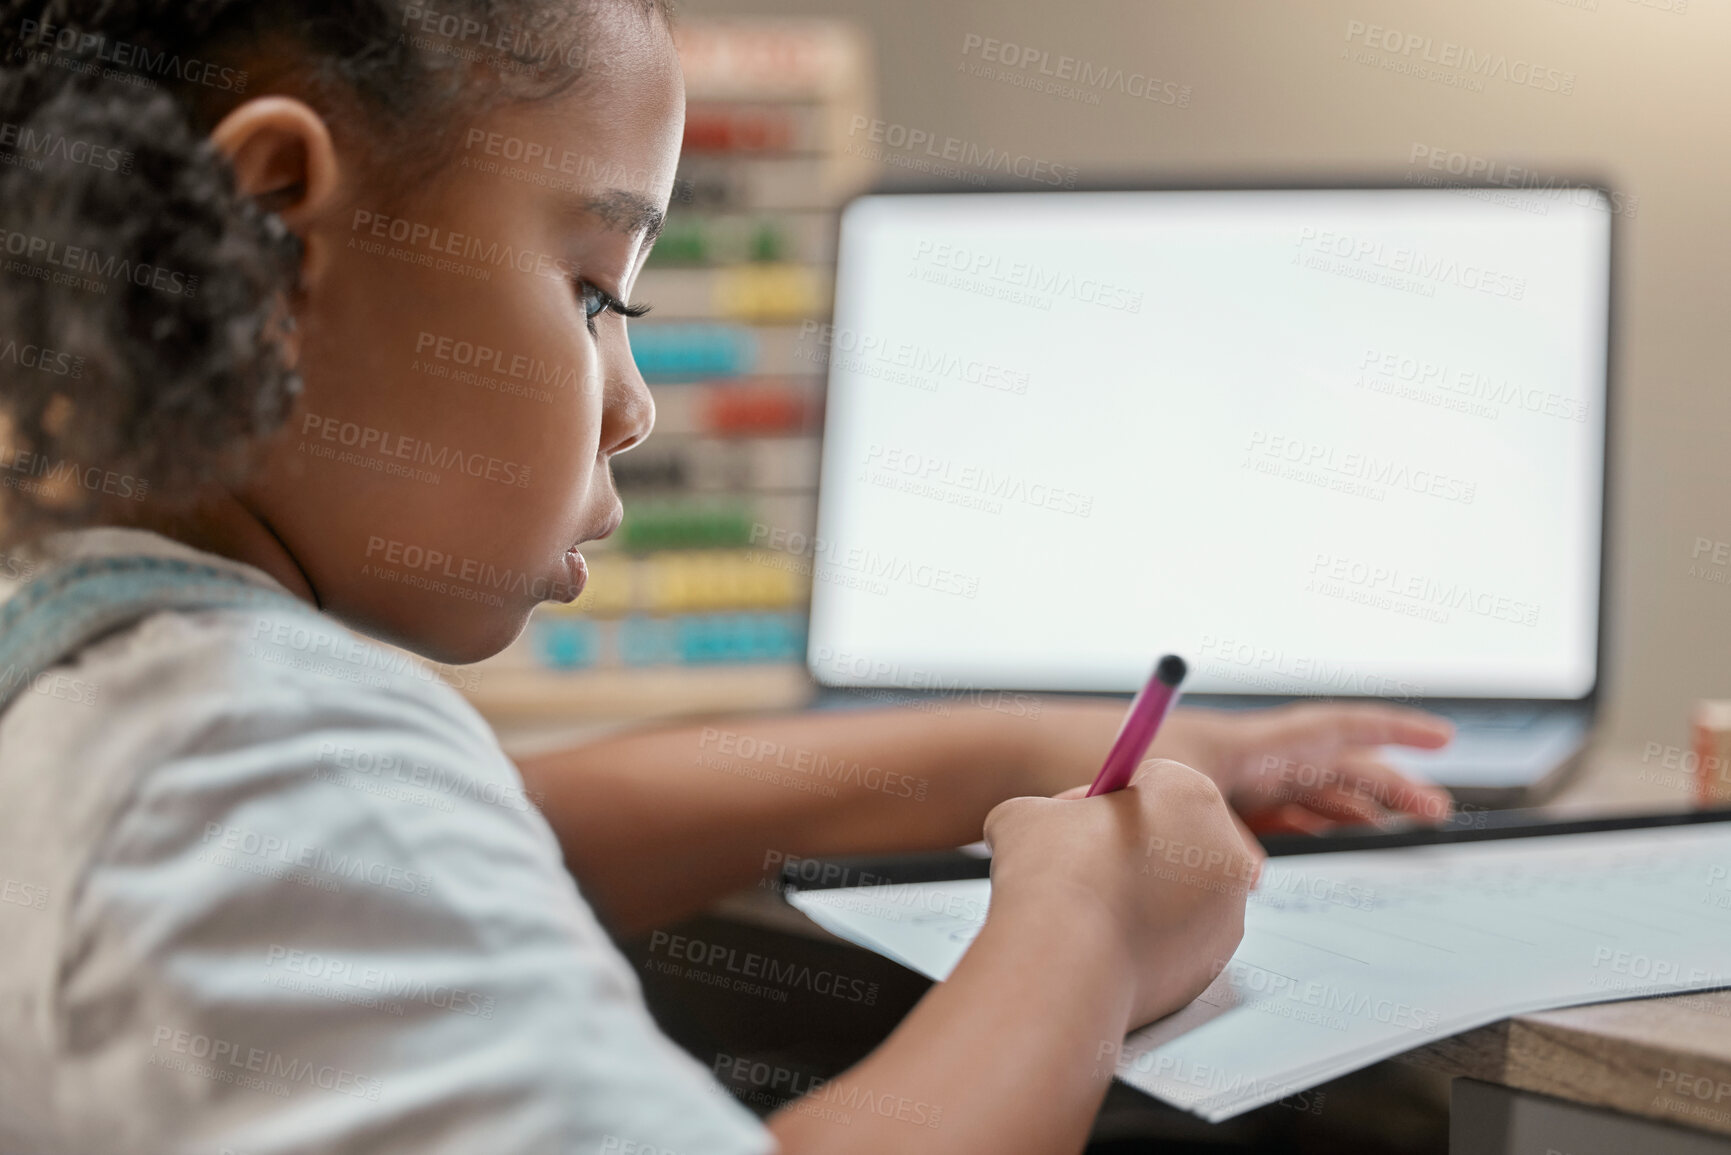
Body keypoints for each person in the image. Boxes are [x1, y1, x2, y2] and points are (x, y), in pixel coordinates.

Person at [0, 2, 1454, 1151]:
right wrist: (1086, 938)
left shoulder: (108, 674)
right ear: (271, 240)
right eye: (594, 293)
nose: (631, 402)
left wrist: (1036, 748)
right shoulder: (249, 754)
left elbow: (533, 824)